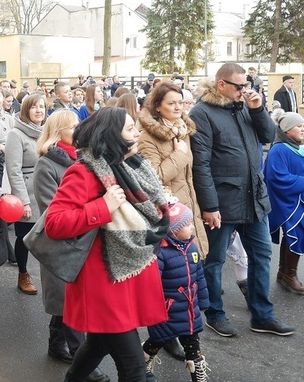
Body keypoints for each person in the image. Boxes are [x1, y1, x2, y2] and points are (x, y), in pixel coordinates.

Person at [46, 107, 170, 381]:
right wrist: (103, 206)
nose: (137, 133)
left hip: (126, 272)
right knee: (134, 368)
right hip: (103, 283)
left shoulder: (129, 166)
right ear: (111, 136)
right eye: (129, 129)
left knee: (98, 343)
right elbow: (54, 224)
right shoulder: (84, 172)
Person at [189, 63, 294, 338]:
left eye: (246, 85)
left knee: (262, 256)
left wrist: (258, 109)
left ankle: (262, 315)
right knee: (214, 260)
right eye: (239, 86)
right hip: (223, 200)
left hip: (253, 196)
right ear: (221, 84)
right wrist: (210, 206)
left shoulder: (245, 105)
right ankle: (215, 313)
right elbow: (200, 165)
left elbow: (268, 136)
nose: (244, 91)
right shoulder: (202, 112)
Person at [32, 110, 110, 382]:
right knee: (67, 301)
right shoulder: (47, 164)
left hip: (84, 235)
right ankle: (82, 360)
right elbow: (50, 209)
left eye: (78, 126)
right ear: (57, 133)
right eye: (71, 127)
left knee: (67, 301)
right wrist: (94, 210)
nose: (77, 131)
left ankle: (56, 344)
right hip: (62, 242)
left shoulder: (83, 159)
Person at [136, 81, 207, 362]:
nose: (179, 108)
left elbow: (188, 177)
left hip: (186, 211)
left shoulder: (182, 130)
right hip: (163, 216)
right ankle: (161, 337)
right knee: (166, 283)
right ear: (157, 107)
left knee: (186, 277)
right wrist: (179, 154)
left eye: (182, 103)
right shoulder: (147, 137)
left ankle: (174, 334)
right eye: (172, 104)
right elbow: (153, 178)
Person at [142, 203, 210, 382]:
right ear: (174, 230)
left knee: (193, 346)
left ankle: (197, 374)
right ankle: (143, 361)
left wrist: (202, 301)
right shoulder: (160, 254)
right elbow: (152, 286)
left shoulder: (192, 248)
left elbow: (199, 277)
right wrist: (153, 311)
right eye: (187, 225)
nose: (192, 227)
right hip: (168, 311)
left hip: (189, 310)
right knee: (158, 340)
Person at [265, 109, 304, 295]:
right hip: (289, 201)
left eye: (303, 125)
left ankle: (285, 272)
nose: (302, 129)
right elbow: (276, 177)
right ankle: (289, 275)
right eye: (298, 126)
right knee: (295, 233)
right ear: (287, 130)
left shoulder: (301, 147)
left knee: (295, 235)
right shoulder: (279, 149)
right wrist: (303, 182)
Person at [6, 94, 47, 295]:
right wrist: (24, 202)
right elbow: (14, 170)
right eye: (34, 107)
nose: (39, 110)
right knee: (24, 237)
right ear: (25, 110)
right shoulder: (16, 134)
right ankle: (23, 273)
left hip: (47, 190)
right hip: (28, 193)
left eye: (42, 106)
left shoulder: (47, 131)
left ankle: (51, 276)